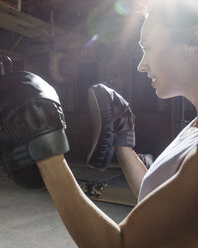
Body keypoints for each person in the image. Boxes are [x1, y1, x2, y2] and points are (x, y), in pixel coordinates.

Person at [34, 0, 198, 247]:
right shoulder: (193, 127)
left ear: (192, 39)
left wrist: (49, 159)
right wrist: (123, 146)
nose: (141, 64)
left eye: (148, 48)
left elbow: (119, 244)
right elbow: (159, 197)